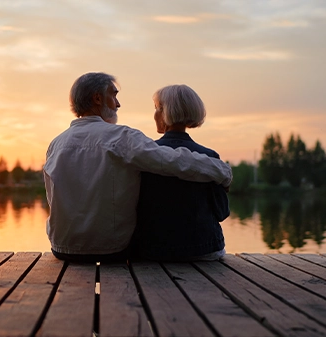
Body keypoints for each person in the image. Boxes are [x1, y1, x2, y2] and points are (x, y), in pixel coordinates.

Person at [43, 72, 232, 263]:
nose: (118, 104)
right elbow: (172, 160)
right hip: (110, 250)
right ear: (98, 98)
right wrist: (222, 172)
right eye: (114, 95)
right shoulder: (121, 137)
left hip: (61, 248)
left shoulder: (56, 144)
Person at [136, 84, 229, 261]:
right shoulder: (209, 156)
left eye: (156, 108)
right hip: (204, 250)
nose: (154, 114)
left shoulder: (145, 155)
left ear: (163, 112)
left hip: (153, 251)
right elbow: (222, 212)